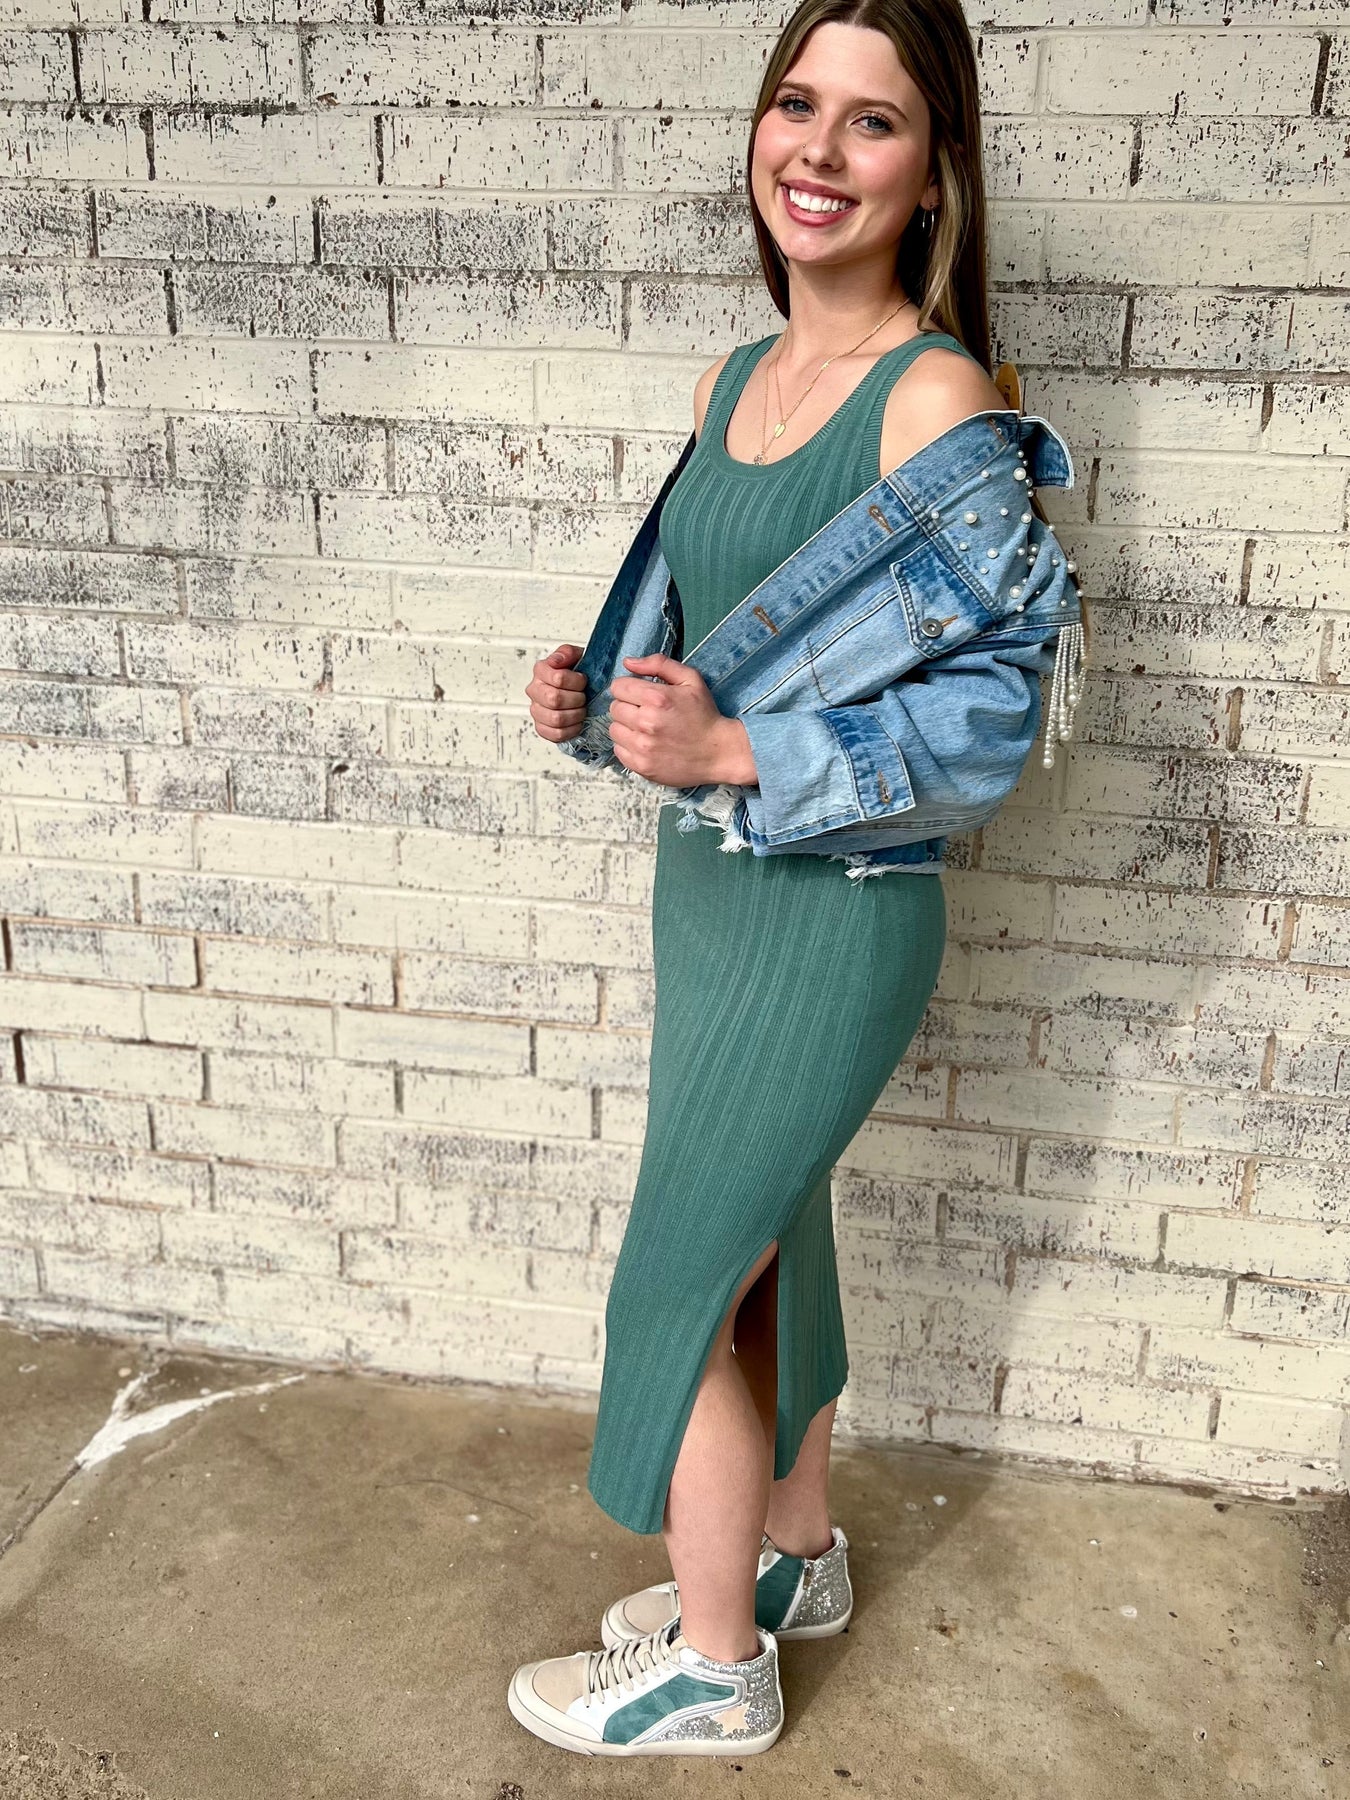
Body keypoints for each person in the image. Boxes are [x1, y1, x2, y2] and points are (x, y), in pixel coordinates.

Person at [512, 0, 1042, 1757]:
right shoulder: (731, 381)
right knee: (761, 1257)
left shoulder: (932, 396)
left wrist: (736, 753)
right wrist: (603, 700)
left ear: (932, 173)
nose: (816, 151)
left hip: (833, 918)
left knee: (673, 1287)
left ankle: (715, 1667)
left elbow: (993, 718)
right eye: (794, 104)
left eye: (870, 122)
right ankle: (795, 1555)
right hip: (712, 896)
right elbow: (718, 654)